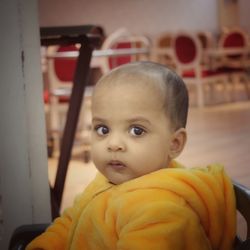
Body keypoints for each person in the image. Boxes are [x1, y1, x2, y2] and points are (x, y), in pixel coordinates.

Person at [26, 61, 236, 250]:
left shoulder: (161, 214)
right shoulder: (108, 181)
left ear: (174, 144)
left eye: (137, 130)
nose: (113, 144)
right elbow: (71, 221)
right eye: (103, 129)